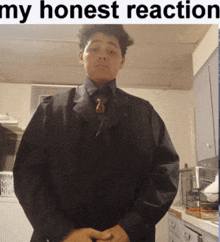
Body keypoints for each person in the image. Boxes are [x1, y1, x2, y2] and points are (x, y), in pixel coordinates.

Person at [13, 25, 179, 242]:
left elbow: (165, 176)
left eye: (112, 51)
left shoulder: (144, 112)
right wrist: (63, 231)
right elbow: (28, 176)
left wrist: (130, 227)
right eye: (94, 49)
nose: (103, 56)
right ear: (81, 56)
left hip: (128, 237)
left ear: (122, 61)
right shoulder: (51, 109)